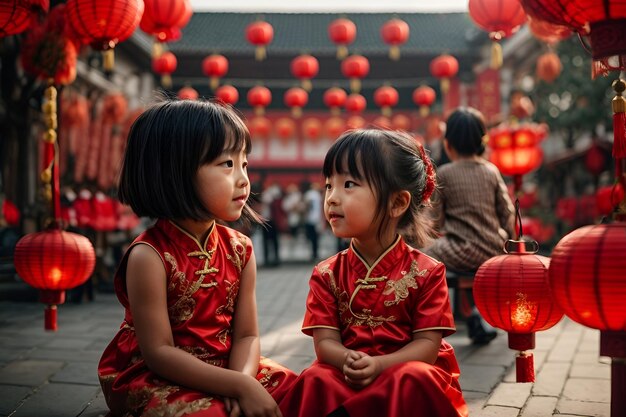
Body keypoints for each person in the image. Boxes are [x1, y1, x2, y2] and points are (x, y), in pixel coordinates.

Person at [98, 99, 296, 417]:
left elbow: (247, 335)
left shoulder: (240, 248)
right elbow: (159, 352)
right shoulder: (149, 255)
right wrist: (238, 387)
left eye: (244, 163)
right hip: (160, 375)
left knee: (301, 390)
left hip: (229, 366)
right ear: (174, 171)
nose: (244, 178)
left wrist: (242, 382)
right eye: (227, 164)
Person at [279, 129, 468, 417]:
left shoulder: (428, 272)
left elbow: (427, 346)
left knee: (414, 377)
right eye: (329, 185)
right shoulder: (327, 273)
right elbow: (325, 342)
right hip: (348, 374)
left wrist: (381, 365)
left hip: (400, 373)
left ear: (397, 203)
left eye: (349, 184)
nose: (332, 198)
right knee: (316, 378)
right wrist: (347, 360)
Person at [423, 107, 516, 344]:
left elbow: (434, 221)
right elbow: (507, 213)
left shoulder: (444, 173)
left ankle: (439, 317)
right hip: (495, 249)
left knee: (423, 255)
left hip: (459, 251)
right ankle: (475, 314)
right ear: (481, 142)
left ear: (448, 144)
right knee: (466, 262)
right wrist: (511, 243)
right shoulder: (491, 171)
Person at [302, 181, 323, 262]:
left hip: (310, 219)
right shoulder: (317, 195)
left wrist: (306, 214)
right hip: (316, 219)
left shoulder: (309, 194)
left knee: (311, 237)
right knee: (315, 238)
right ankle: (315, 253)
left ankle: (313, 254)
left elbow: (307, 205)